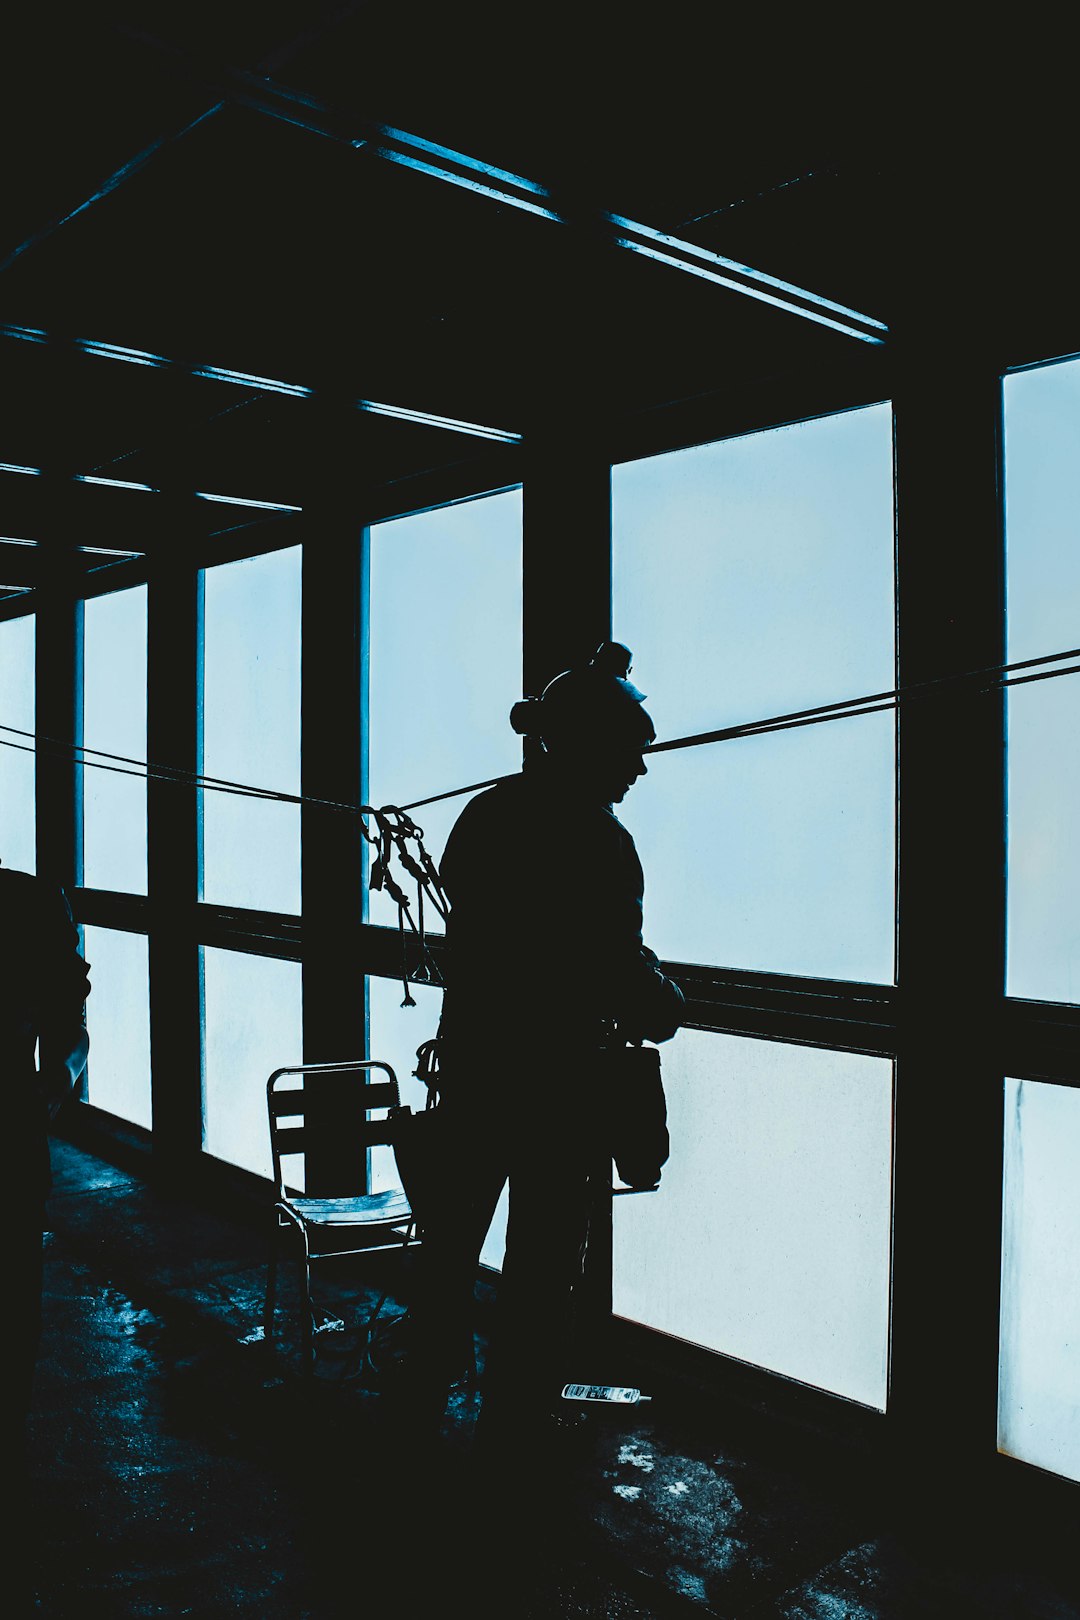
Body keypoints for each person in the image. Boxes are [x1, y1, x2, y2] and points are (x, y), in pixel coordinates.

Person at [392, 641, 683, 1447]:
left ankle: (419, 1400)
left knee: (450, 1249)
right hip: (557, 1091)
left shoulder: (485, 815)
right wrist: (665, 1000)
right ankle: (515, 1424)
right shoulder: (599, 841)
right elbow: (615, 970)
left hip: (479, 1071)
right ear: (592, 745)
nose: (639, 770)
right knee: (542, 1266)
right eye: (631, 752)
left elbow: (484, 939)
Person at [2, 859, 91, 1461]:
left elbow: (69, 1033)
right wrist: (55, 1082)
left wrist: (53, 1081)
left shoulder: (28, 907)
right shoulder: (31, 906)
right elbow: (71, 1032)